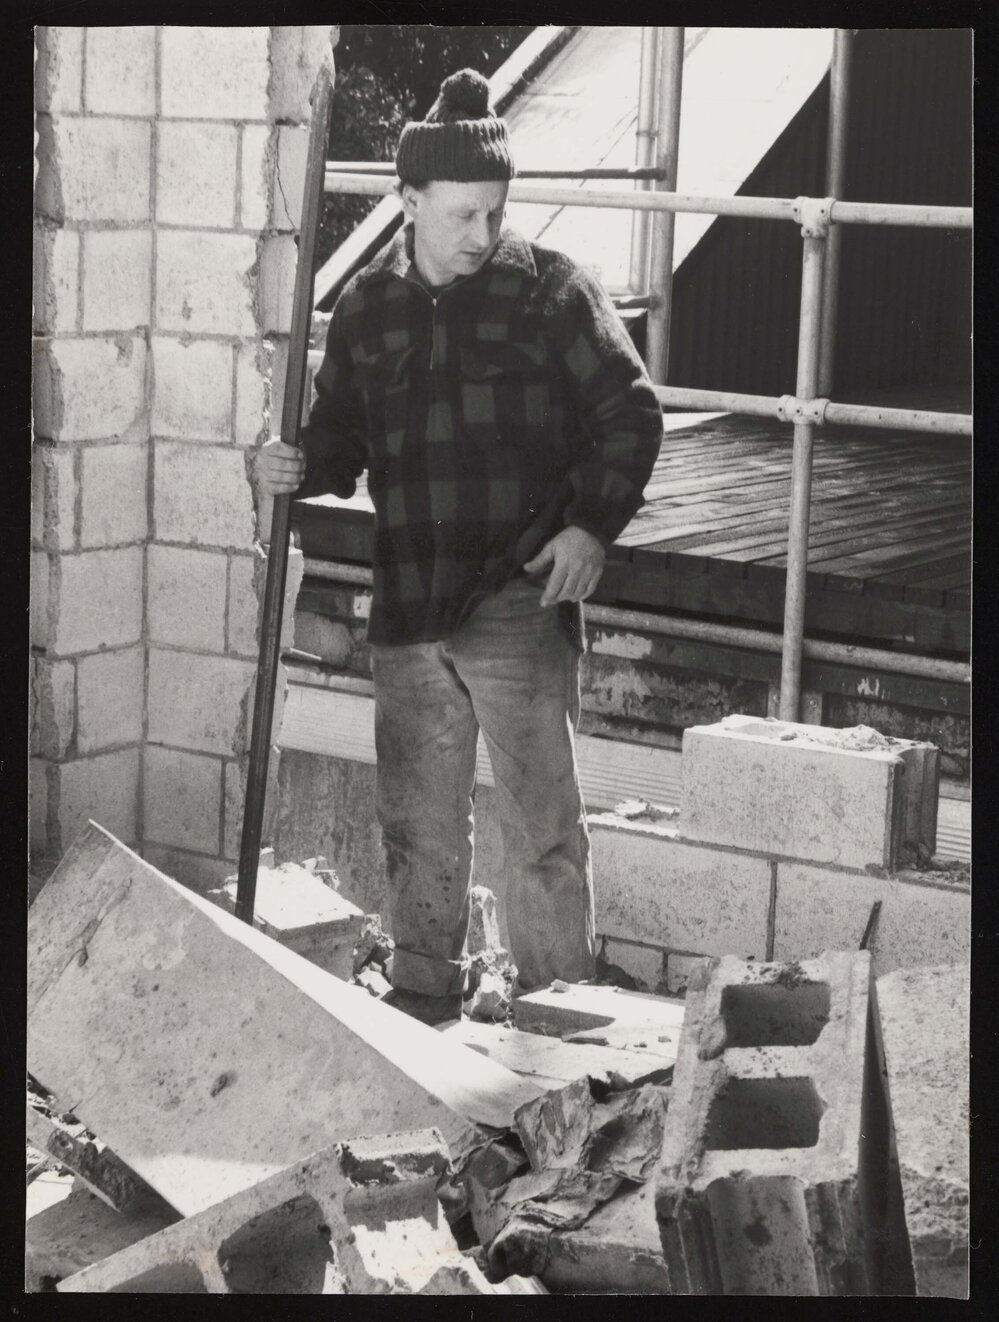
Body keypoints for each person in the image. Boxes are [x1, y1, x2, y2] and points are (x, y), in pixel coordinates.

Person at [257, 68, 663, 1024]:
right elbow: (340, 442)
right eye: (461, 215)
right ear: (408, 201)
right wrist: (293, 463)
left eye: (494, 211)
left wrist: (589, 527)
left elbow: (630, 414)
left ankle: (558, 1011)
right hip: (409, 602)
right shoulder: (367, 308)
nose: (482, 233)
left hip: (519, 594)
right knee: (417, 822)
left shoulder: (551, 292)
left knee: (542, 832)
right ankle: (423, 995)